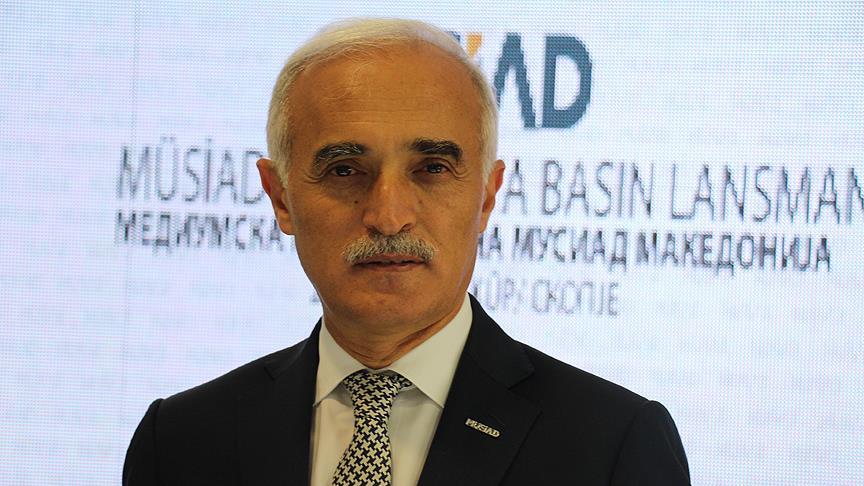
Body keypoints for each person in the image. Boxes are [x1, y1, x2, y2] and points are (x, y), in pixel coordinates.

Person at [123, 18, 690, 485]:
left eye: (432, 169)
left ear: (486, 197)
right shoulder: (178, 443)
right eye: (345, 170)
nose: (388, 215)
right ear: (281, 197)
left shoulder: (612, 447)